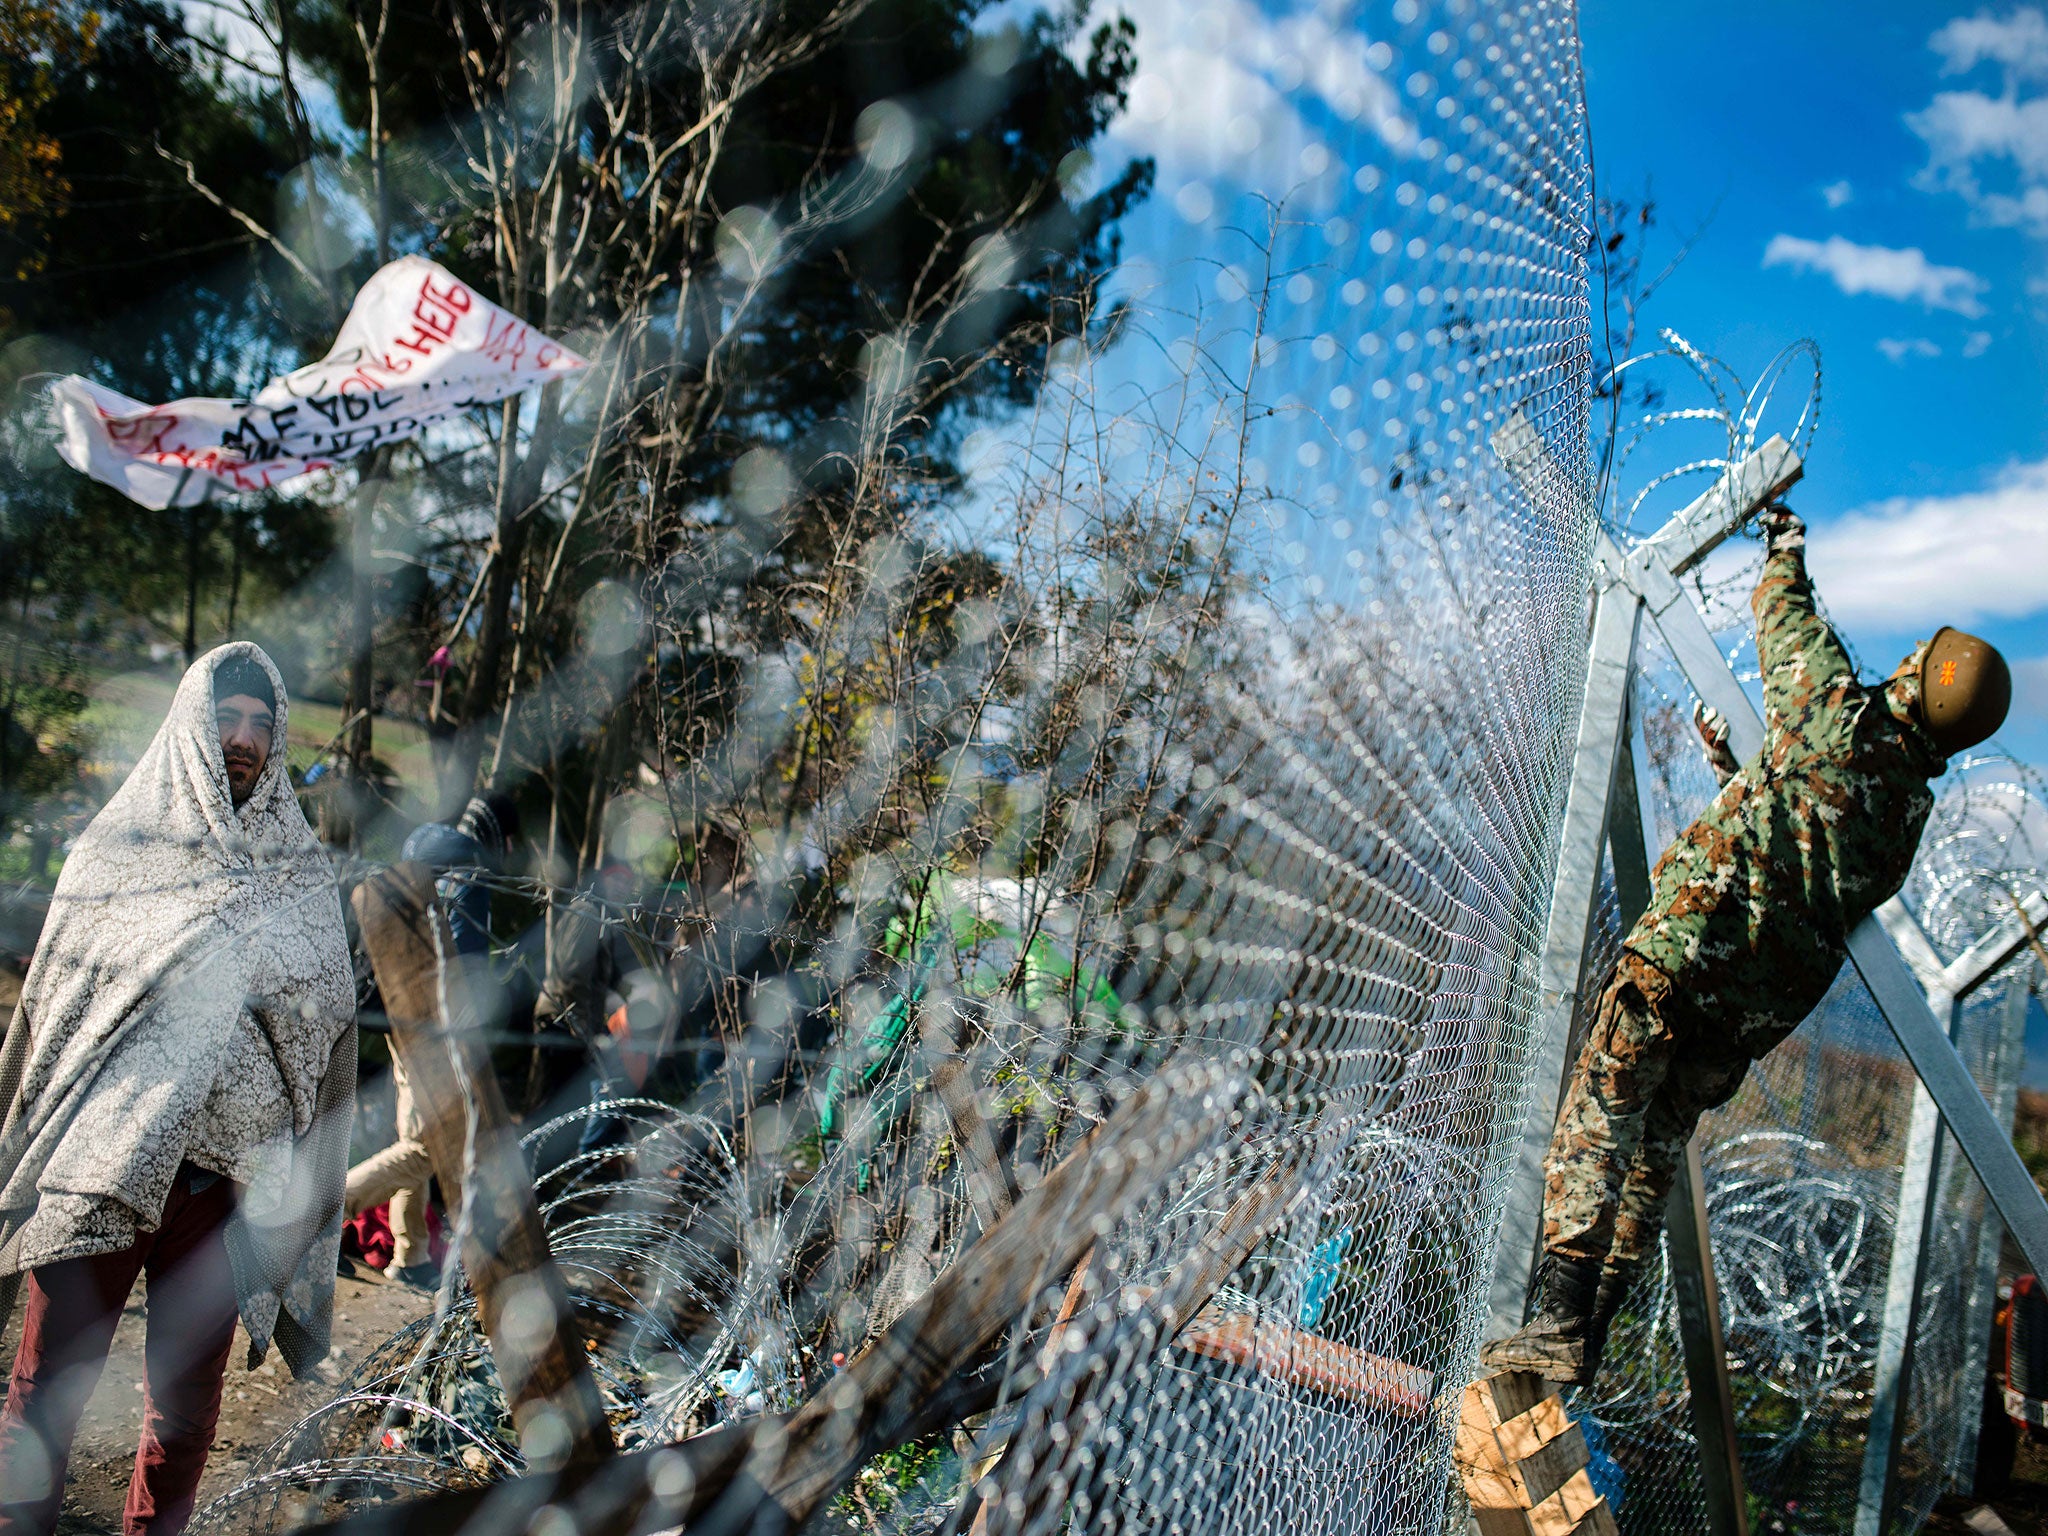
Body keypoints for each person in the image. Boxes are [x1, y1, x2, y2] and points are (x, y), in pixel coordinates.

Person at [1484, 505, 2013, 1386]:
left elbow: (1785, 622)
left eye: (1922, 659)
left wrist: (1784, 549)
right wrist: (1743, 774)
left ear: (1924, 678)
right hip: (1754, 1004)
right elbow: (1809, 847)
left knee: (1601, 1111)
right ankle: (1592, 1329)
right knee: (1657, 1144)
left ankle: (1555, 1314)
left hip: (1692, 949)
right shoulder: (1905, 813)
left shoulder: (1841, 722)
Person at [0, 645, 357, 1535]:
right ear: (190, 724)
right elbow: (59, 1004)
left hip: (221, 1188)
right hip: (105, 1163)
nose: (242, 739)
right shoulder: (120, 850)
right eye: (226, 718)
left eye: (260, 725)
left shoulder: (304, 876)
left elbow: (331, 1020)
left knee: (185, 1416)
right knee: (48, 1390)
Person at [342, 794, 518, 1289]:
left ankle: (410, 1253)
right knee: (429, 1145)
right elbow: (465, 959)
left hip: (393, 1004)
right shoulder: (472, 871)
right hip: (435, 1024)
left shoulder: (425, 848)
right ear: (499, 837)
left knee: (414, 1129)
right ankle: (323, 1212)